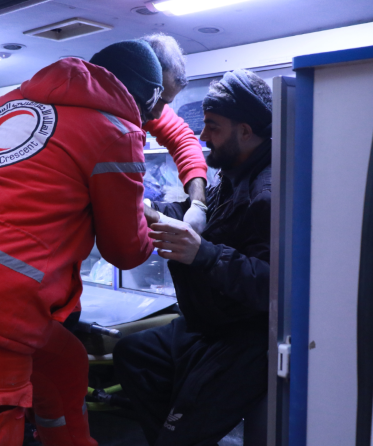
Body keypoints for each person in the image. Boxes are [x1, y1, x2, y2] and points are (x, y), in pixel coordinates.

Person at [0, 40, 164, 446]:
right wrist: (151, 217)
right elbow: (125, 250)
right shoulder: (116, 131)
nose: (155, 119)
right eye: (158, 107)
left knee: (63, 364)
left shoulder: (10, 104)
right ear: (151, 96)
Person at [113, 69, 273, 446]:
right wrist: (152, 210)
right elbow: (197, 216)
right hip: (205, 324)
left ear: (245, 131)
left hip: (243, 339)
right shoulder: (232, 174)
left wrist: (203, 254)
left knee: (179, 436)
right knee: (135, 354)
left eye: (212, 127)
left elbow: (272, 286)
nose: (203, 136)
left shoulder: (266, 193)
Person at [140, 33, 208, 233]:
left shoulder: (150, 107)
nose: (158, 113)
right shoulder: (100, 120)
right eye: (158, 100)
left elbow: (183, 141)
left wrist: (198, 203)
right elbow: (114, 199)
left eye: (167, 102)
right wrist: (166, 222)